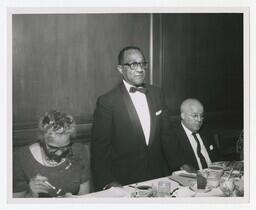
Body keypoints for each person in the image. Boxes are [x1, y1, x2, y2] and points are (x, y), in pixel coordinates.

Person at [91, 46, 170, 191]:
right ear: (120, 69)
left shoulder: (157, 94)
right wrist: (108, 182)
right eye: (133, 64)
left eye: (142, 64)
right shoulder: (107, 102)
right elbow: (99, 150)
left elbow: (167, 136)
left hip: (158, 177)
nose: (140, 69)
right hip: (124, 182)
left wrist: (180, 165)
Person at [13, 110, 91, 198]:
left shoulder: (78, 151)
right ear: (42, 139)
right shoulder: (21, 158)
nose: (59, 153)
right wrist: (31, 195)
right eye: (53, 148)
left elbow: (84, 198)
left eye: (65, 147)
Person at [162, 98, 220, 173]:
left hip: (214, 176)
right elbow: (181, 165)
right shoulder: (171, 136)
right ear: (183, 116)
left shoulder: (205, 131)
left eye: (201, 116)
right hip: (192, 179)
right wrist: (201, 177)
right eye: (195, 116)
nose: (199, 120)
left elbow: (217, 158)